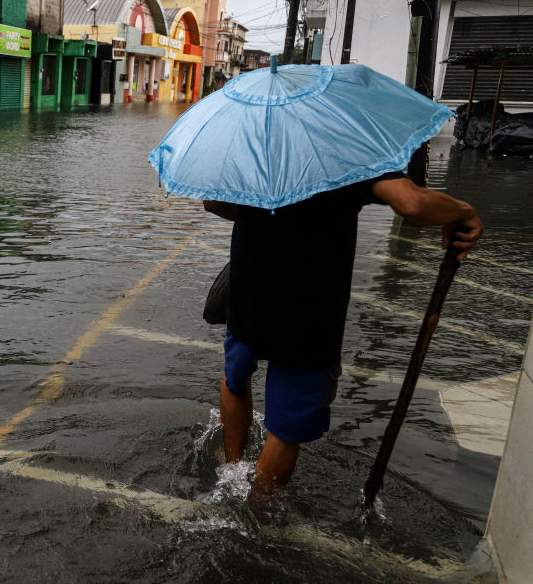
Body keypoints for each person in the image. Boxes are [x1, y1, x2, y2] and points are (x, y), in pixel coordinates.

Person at [203, 171, 483, 506]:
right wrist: (464, 212)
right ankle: (256, 515)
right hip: (310, 312)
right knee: (286, 428)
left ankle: (232, 473)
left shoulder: (255, 142)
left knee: (236, 378)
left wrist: (270, 210)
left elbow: (213, 202)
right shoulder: (349, 145)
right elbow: (413, 202)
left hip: (249, 289)